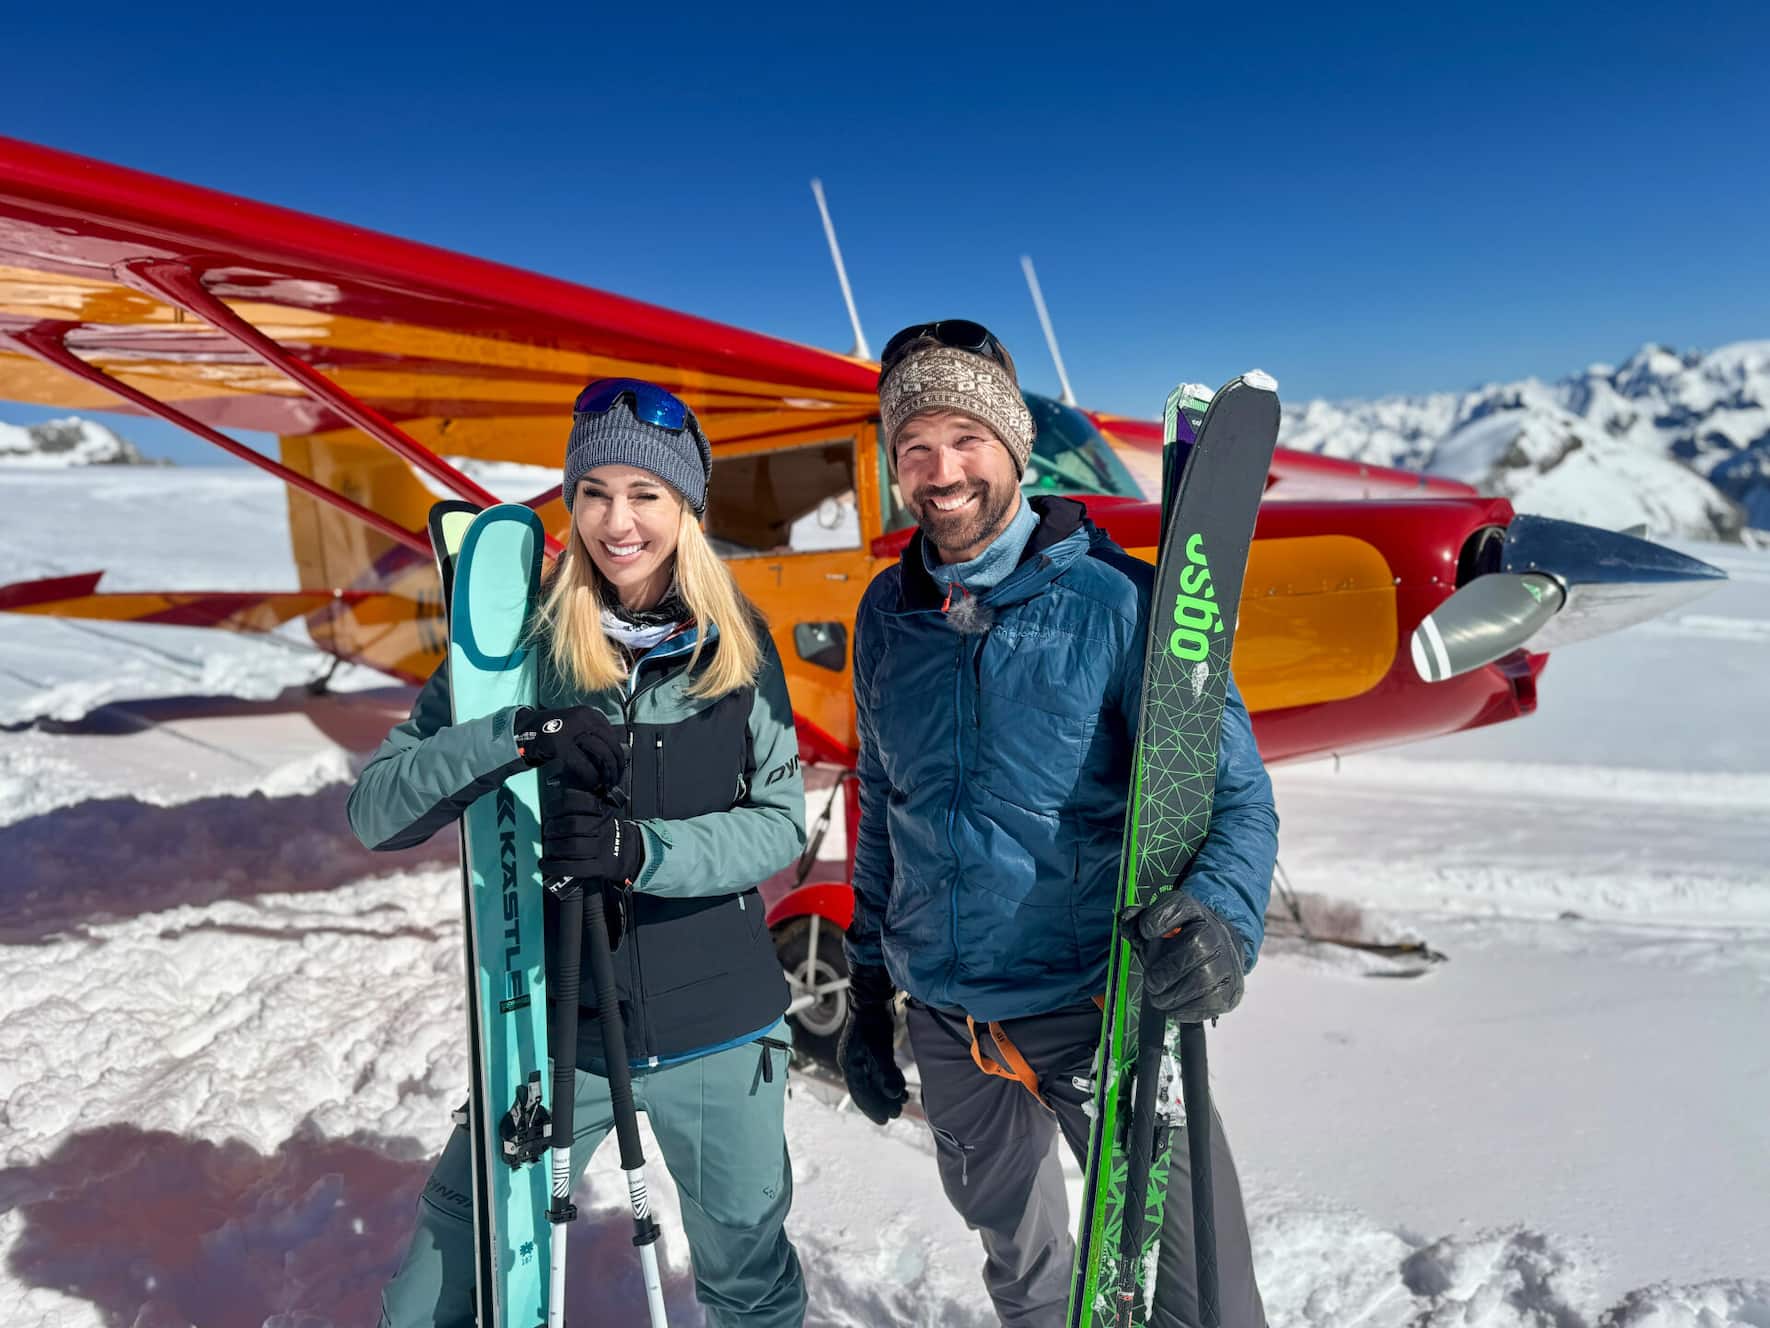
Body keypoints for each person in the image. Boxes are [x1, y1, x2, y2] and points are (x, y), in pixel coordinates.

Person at [839, 323, 1278, 1328]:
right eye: (915, 446)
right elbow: (884, 805)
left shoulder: (1122, 604)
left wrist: (1221, 919)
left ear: (1015, 448)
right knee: (1026, 1276)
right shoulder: (885, 614)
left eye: (967, 439)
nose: (942, 471)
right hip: (946, 1019)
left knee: (1204, 1301)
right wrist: (866, 984)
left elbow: (1236, 797)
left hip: (1101, 1010)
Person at [349, 378, 809, 1327]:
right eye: (593, 492)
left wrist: (641, 850)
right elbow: (376, 811)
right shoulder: (515, 647)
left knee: (748, 1283)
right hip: (555, 1035)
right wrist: (513, 734)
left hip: (719, 1033)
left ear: (685, 509)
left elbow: (777, 823)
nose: (617, 521)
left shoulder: (737, 648)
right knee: (436, 1291)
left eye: (645, 494)